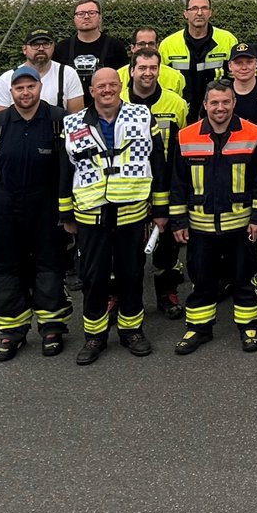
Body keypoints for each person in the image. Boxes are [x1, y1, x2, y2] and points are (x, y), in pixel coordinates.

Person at [58, 67, 168, 365]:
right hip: (90, 214)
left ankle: (132, 330)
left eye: (112, 85)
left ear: (121, 86)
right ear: (91, 91)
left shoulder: (143, 116)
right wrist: (65, 211)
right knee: (92, 277)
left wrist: (160, 210)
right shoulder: (72, 122)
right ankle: (95, 335)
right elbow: (65, 169)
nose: (107, 90)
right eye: (100, 86)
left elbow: (158, 161)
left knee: (131, 274)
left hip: (131, 213)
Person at [168, 81, 257, 355]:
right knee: (201, 278)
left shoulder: (254, 133)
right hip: (200, 227)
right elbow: (177, 183)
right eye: (214, 102)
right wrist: (178, 222)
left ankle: (248, 327)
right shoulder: (186, 136)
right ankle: (199, 328)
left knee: (244, 277)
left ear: (234, 103)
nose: (220, 107)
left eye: (226, 102)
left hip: (240, 225)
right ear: (205, 104)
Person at [0, 66, 70, 360]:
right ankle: (11, 331)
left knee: (49, 263)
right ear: (12, 92)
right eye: (19, 88)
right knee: (6, 265)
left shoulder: (59, 120)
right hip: (6, 204)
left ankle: (52, 327)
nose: (25, 93)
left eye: (30, 86)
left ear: (39, 87)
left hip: (46, 203)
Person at [124, 49, 190, 321]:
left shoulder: (175, 103)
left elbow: (182, 146)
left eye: (153, 68)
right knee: (126, 247)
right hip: (128, 184)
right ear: (132, 71)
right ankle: (122, 296)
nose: (148, 73)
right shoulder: (118, 101)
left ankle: (167, 293)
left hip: (167, 181)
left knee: (166, 246)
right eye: (142, 68)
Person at [159, 0, 237, 121]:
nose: (199, 13)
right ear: (185, 13)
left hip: (218, 112)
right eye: (194, 8)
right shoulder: (168, 44)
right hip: (181, 111)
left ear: (210, 13)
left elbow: (236, 79)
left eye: (204, 8)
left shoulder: (228, 40)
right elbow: (162, 83)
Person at [0, 31, 82, 113]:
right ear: (24, 49)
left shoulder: (68, 74)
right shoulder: (6, 79)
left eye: (46, 44)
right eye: (35, 44)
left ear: (53, 47)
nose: (41, 48)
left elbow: (76, 118)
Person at [61, 0, 130, 99]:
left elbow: (124, 78)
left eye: (91, 13)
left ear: (100, 18)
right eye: (81, 14)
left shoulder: (115, 46)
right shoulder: (62, 47)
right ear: (74, 19)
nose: (86, 17)